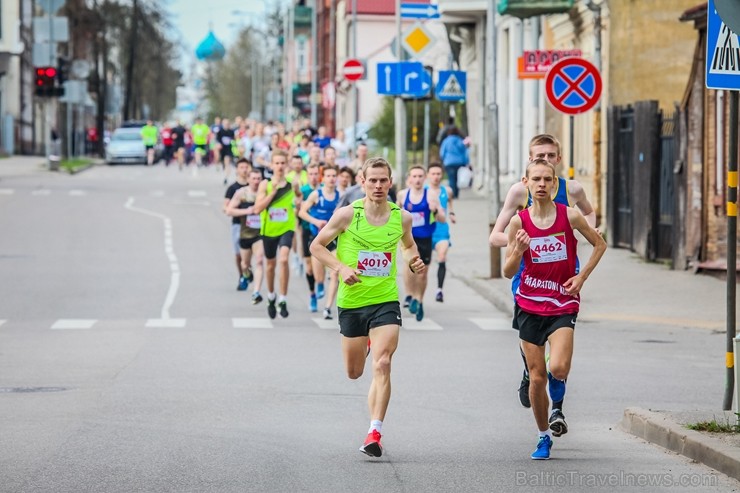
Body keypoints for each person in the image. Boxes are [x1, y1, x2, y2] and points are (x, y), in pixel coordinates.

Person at [310, 157, 426, 458]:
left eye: (383, 180)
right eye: (372, 180)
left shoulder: (402, 218)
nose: (377, 185)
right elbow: (317, 246)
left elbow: (409, 245)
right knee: (354, 372)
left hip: (385, 299)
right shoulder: (348, 215)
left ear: (390, 183)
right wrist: (340, 267)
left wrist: (414, 261)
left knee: (384, 363)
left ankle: (375, 431)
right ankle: (366, 345)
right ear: (363, 182)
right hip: (352, 302)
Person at [489, 133, 597, 435]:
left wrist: (588, 228)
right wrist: (521, 242)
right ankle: (530, 371)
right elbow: (495, 236)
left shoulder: (572, 189)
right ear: (529, 163)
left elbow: (588, 214)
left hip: (563, 277)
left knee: (559, 358)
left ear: (558, 162)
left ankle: (556, 403)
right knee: (534, 345)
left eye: (550, 157)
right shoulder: (518, 193)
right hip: (528, 275)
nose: (545, 162)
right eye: (539, 156)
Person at [503, 158, 606, 460]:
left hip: (563, 301)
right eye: (536, 179)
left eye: (547, 180)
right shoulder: (518, 222)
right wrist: (519, 250)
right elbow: (509, 271)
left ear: (555, 183)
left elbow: (599, 245)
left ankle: (557, 408)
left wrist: (581, 276)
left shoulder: (570, 216)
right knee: (537, 378)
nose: (542, 185)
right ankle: (542, 436)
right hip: (529, 304)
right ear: (526, 183)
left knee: (558, 368)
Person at [253, 150, 302, 319]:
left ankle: (283, 298)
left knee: (283, 259)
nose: (280, 166)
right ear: (272, 165)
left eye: (283, 163)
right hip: (268, 231)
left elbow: (299, 197)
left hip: (287, 228)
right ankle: (271, 296)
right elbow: (257, 208)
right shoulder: (264, 185)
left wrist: (298, 201)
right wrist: (272, 193)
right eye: (277, 163)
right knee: (271, 266)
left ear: (286, 165)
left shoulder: (292, 183)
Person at [397, 165, 445, 322]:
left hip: (425, 237)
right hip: (408, 236)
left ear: (424, 179)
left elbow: (442, 219)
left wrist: (435, 211)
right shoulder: (403, 195)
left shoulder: (430, 194)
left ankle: (419, 300)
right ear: (409, 179)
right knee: (409, 265)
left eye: (420, 176)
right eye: (414, 176)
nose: (417, 179)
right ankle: (409, 295)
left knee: (422, 271)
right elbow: (394, 215)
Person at [299, 165, 340, 319]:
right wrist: (316, 221)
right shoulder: (316, 195)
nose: (331, 178)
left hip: (334, 239)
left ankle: (327, 308)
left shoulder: (340, 196)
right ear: (323, 179)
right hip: (317, 238)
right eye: (328, 176)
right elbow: (301, 212)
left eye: (334, 175)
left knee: (335, 271)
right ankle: (319, 285)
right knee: (316, 273)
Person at [226, 168, 266, 304]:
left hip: (260, 234)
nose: (256, 181)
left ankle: (256, 292)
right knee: (244, 264)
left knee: (259, 260)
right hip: (245, 233)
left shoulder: (265, 193)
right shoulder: (242, 193)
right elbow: (229, 210)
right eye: (253, 178)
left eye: (258, 179)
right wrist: (247, 211)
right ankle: (247, 274)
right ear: (248, 179)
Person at [426, 162, 456, 303]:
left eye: (438, 174)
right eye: (433, 174)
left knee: (442, 256)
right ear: (428, 175)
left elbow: (450, 201)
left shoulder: (447, 190)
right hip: (425, 231)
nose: (436, 177)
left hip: (442, 229)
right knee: (423, 265)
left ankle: (439, 290)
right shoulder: (424, 191)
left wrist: (451, 213)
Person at [224, 159, 252, 290]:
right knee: (238, 254)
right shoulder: (232, 188)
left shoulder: (255, 186)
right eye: (241, 167)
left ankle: (247, 269)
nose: (244, 170)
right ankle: (242, 275)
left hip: (254, 225)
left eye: (246, 167)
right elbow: (225, 207)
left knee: (253, 253)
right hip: (238, 224)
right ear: (237, 170)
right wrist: (237, 210)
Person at [297, 163, 321, 311]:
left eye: (315, 173)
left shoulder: (324, 189)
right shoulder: (303, 191)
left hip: (322, 232)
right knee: (309, 267)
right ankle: (312, 294)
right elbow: (297, 211)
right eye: (310, 174)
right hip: (307, 230)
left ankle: (321, 285)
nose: (313, 177)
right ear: (307, 175)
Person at [439, 127, 469, 199]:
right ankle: (456, 194)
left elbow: (442, 152)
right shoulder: (460, 140)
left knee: (451, 178)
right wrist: (466, 162)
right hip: (459, 162)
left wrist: (443, 159)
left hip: (449, 162)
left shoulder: (446, 141)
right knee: (457, 179)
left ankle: (452, 194)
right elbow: (465, 152)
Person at [217, 119, 236, 185]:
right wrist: (219, 145)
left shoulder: (231, 131)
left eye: (227, 124)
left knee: (227, 162)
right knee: (223, 162)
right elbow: (217, 140)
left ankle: (226, 177)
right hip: (222, 149)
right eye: (225, 124)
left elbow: (234, 139)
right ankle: (221, 167)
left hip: (229, 149)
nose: (226, 125)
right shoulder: (220, 131)